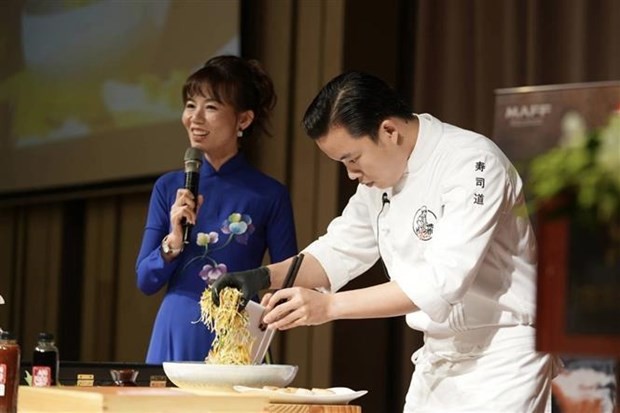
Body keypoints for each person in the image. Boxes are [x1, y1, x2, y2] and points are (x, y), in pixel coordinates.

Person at [213, 71, 560, 412]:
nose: (351, 174)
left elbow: (441, 282)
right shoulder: (379, 181)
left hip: (502, 356)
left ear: (389, 131)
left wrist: (328, 307)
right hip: (438, 358)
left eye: (352, 159)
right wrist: (262, 276)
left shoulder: (473, 162)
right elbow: (338, 250)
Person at [136, 55, 298, 363]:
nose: (195, 118)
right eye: (190, 105)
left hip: (237, 334)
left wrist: (261, 321)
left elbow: (288, 280)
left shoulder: (269, 194)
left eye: (210, 107)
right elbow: (145, 281)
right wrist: (172, 241)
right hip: (176, 329)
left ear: (244, 120)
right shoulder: (169, 187)